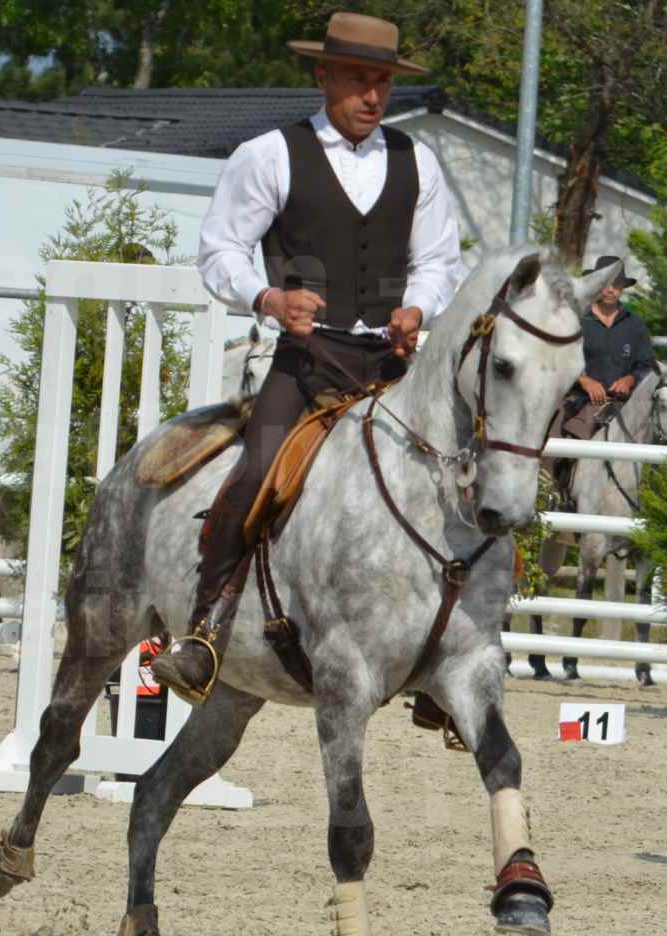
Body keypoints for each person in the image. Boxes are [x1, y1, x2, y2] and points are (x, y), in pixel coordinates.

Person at [151, 12, 462, 702]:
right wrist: (266, 297)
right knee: (256, 472)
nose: (371, 96)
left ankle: (452, 650)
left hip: (386, 366)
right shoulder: (267, 154)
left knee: (459, 489)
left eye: (380, 82)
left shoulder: (419, 161)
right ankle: (203, 630)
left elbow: (439, 261)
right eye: (357, 80)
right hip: (305, 361)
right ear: (323, 76)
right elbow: (219, 251)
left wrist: (418, 306)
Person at [548, 254, 656, 502]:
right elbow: (558, 358)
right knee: (553, 444)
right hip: (578, 402)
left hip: (623, 405)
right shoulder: (576, 320)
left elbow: (647, 365)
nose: (610, 289)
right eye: (605, 283)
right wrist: (583, 380)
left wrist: (630, 379)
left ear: (622, 288)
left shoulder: (636, 326)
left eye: (616, 284)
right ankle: (553, 498)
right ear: (596, 286)